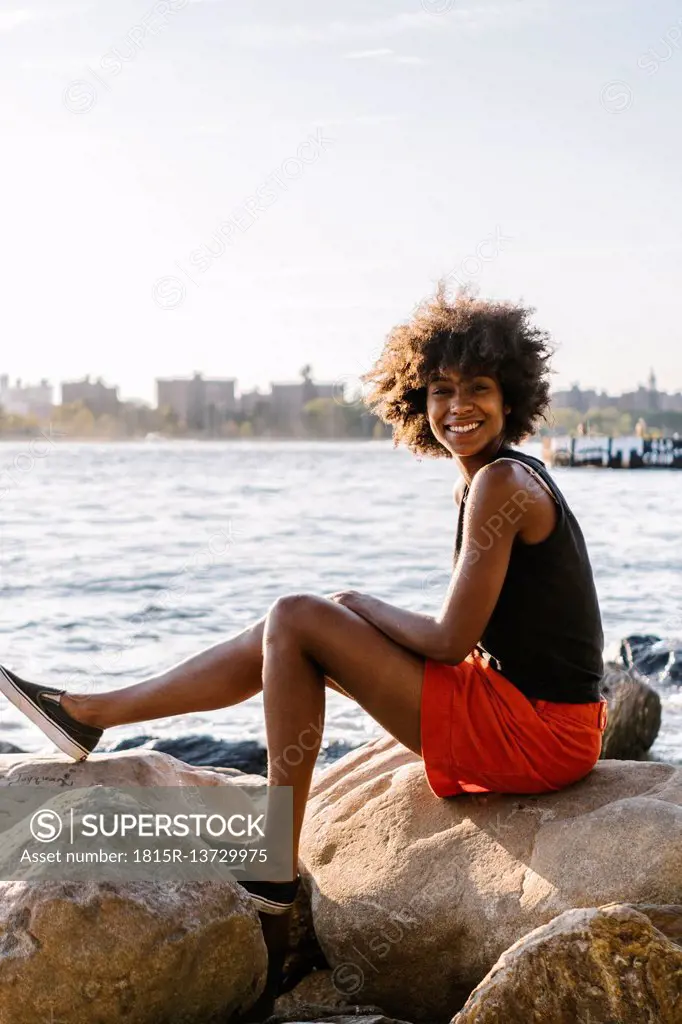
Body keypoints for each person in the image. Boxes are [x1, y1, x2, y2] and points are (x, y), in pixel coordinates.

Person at [0, 285, 607, 917]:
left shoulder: (501, 483)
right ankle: (90, 712)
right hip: (520, 708)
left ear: (510, 397)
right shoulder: (491, 480)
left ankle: (271, 860)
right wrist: (352, 616)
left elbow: (453, 640)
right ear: (417, 401)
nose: (458, 407)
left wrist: (361, 605)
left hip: (537, 734)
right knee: (284, 627)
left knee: (298, 615)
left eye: (478, 387)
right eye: (441, 391)